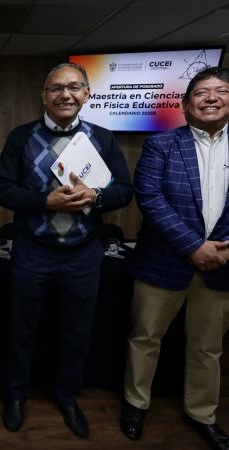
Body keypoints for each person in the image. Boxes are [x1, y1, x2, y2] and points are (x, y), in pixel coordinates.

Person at [0, 63, 133, 437]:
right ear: (44, 95)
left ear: (86, 94)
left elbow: (124, 191)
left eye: (74, 87)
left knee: (77, 331)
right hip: (32, 250)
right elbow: (2, 189)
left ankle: (67, 396)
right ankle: (16, 396)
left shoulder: (102, 138)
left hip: (83, 253)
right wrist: (45, 201)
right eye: (56, 88)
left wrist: (95, 196)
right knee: (22, 328)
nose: (65, 94)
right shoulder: (21, 137)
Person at [120, 67, 229, 450]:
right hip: (162, 264)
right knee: (145, 338)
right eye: (201, 92)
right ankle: (135, 404)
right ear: (185, 105)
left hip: (222, 267)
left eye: (221, 91)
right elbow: (150, 198)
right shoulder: (161, 144)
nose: (211, 98)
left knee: (207, 347)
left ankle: (202, 414)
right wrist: (193, 246)